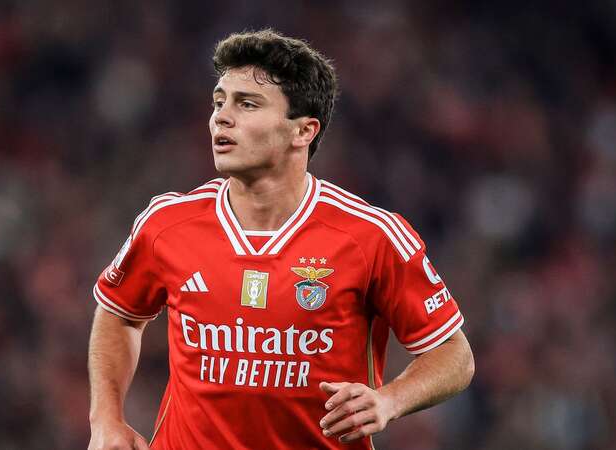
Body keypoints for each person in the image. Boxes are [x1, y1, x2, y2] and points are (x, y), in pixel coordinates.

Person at [87, 29, 474, 450]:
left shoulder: (371, 236)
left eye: (247, 104)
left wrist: (389, 400)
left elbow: (454, 355)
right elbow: (120, 313)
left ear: (303, 131)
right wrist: (106, 419)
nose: (221, 117)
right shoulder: (167, 223)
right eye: (219, 102)